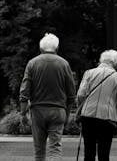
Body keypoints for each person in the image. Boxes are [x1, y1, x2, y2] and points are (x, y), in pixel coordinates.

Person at [19, 33, 76, 161]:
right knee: (55, 148)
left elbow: (24, 91)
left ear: (41, 48)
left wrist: (23, 113)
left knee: (39, 150)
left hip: (37, 111)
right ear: (57, 48)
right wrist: (67, 114)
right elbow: (71, 94)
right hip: (58, 111)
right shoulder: (64, 64)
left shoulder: (32, 63)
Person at [76, 49, 117, 161]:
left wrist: (82, 106)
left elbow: (80, 95)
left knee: (88, 151)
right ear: (114, 62)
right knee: (104, 153)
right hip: (107, 118)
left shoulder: (89, 73)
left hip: (88, 116)